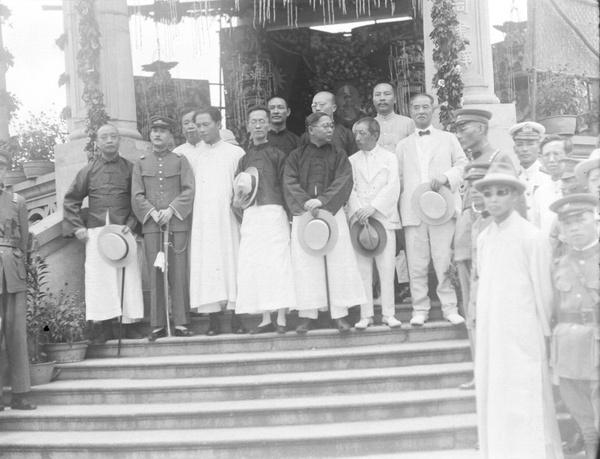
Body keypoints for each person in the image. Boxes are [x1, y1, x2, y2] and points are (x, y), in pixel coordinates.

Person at [473, 161, 563, 458]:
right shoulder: (484, 238)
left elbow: (544, 291)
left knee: (526, 402)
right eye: (489, 194)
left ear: (514, 196)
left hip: (524, 335)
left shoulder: (531, 237)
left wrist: (545, 335)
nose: (495, 199)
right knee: (497, 400)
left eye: (502, 193)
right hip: (493, 336)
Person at [284, 112, 366, 333]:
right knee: (305, 264)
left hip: (332, 211)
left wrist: (321, 201)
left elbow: (343, 180)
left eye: (332, 126)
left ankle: (339, 314)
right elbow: (289, 182)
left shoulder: (339, 155)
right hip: (304, 214)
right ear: (311, 130)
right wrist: (306, 203)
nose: (331, 129)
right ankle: (307, 315)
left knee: (338, 261)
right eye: (325, 126)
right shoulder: (295, 156)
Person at [63, 124, 144, 343]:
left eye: (113, 137)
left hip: (123, 231)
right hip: (97, 231)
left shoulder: (130, 168)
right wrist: (78, 227)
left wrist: (132, 223)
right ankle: (105, 327)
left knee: (128, 276)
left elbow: (139, 199)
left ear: (119, 140)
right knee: (100, 278)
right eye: (104, 137)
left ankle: (129, 326)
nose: (109, 140)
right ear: (97, 142)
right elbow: (71, 199)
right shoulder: (88, 171)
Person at [395, 93, 468, 326]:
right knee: (416, 262)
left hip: (442, 208)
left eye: (425, 106)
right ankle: (420, 309)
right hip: (414, 211)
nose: (421, 111)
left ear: (433, 109)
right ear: (410, 111)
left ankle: (449, 308)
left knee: (443, 259)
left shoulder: (448, 138)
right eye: (416, 107)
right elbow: (398, 178)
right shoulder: (402, 145)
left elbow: (463, 165)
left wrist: (445, 177)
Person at [233, 107, 296, 334]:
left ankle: (281, 316)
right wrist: (239, 205)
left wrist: (288, 216)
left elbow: (287, 187)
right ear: (248, 126)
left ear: (269, 125)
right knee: (255, 263)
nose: (258, 125)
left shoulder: (279, 155)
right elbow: (237, 194)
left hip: (274, 212)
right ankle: (265, 318)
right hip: (252, 215)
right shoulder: (244, 158)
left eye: (262, 121)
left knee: (277, 262)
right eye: (254, 121)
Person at [131, 116, 195, 341]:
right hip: (151, 225)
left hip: (176, 223)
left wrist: (171, 210)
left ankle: (181, 322)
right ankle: (157, 325)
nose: (157, 134)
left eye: (163, 131)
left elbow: (188, 190)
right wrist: (152, 212)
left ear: (170, 136)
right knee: (156, 274)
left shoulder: (180, 160)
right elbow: (137, 194)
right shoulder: (141, 162)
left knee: (177, 272)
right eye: (154, 130)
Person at [549, 193, 599, 459]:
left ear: (595, 219)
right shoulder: (558, 263)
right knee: (578, 406)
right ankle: (590, 441)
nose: (575, 227)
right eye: (567, 223)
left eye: (580, 220)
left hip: (597, 346)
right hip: (568, 349)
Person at [190, 106, 247, 335]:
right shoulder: (193, 154)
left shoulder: (235, 153)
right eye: (198, 125)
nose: (202, 130)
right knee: (209, 265)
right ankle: (213, 319)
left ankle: (236, 317)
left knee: (232, 261)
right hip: (204, 220)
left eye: (206, 124)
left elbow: (245, 187)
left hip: (228, 217)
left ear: (218, 123)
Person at [348, 117, 401, 329]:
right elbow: (349, 187)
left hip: (383, 218)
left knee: (387, 268)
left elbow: (393, 186)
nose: (358, 138)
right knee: (363, 270)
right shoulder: (352, 160)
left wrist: (373, 208)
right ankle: (366, 315)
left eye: (362, 133)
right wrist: (359, 209)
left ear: (375, 135)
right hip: (360, 220)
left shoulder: (390, 158)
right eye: (355, 134)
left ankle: (389, 314)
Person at [0, 149, 36, 411]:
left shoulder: (17, 201)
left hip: (13, 270)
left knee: (15, 333)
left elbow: (24, 242)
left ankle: (20, 394)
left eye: (1, 166)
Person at [453, 162, 491, 391]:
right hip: (468, 271)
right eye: (470, 185)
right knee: (472, 320)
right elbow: (460, 252)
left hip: (489, 277)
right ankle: (479, 373)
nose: (473, 189)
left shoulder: (495, 216)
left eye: (479, 185)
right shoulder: (466, 214)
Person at [509, 121, 551, 222]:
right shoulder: (513, 180)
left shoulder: (549, 178)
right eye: (520, 145)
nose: (524, 149)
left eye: (530, 144)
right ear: (514, 149)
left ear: (539, 148)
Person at [533, 135, 571, 236]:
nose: (551, 160)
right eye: (546, 155)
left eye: (557, 154)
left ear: (569, 156)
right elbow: (537, 229)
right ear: (541, 159)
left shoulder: (577, 189)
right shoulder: (540, 192)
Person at [300, 91, 358, 156]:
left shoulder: (346, 135)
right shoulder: (306, 137)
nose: (317, 109)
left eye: (322, 104)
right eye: (314, 106)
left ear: (334, 108)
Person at [372, 83, 414, 153]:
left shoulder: (408, 123)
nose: (382, 98)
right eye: (378, 94)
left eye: (387, 94)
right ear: (373, 101)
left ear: (395, 99)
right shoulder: (367, 126)